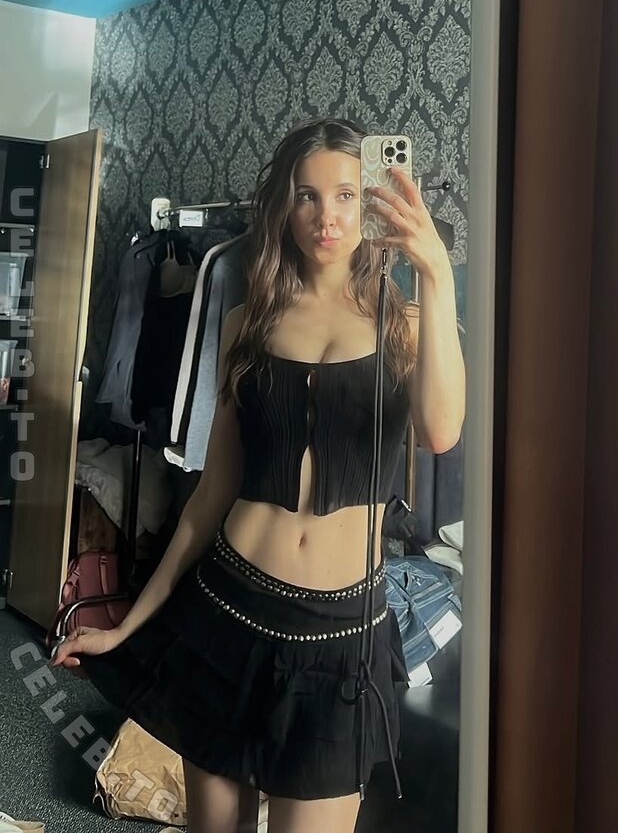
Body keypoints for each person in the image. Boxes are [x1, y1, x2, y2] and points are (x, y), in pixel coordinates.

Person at [50, 118, 465, 833]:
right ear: (284, 207)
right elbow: (212, 494)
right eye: (307, 195)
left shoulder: (406, 322)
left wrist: (436, 272)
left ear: (370, 201)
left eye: (345, 195)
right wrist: (125, 626)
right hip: (229, 612)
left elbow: (439, 431)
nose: (326, 216)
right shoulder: (247, 321)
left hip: (339, 639)